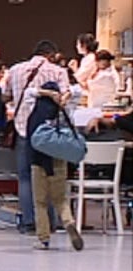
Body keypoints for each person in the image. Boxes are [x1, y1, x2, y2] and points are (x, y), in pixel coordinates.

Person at [6, 40, 71, 235]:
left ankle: (28, 221)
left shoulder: (15, 70)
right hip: (48, 130)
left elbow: (5, 96)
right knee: (48, 175)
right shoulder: (58, 72)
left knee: (25, 177)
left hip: (22, 128)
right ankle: (51, 221)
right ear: (51, 55)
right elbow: (65, 97)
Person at [25, 82, 84, 251]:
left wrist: (46, 93)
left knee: (40, 202)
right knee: (60, 199)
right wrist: (65, 95)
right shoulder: (65, 110)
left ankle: (43, 239)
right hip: (58, 159)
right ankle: (69, 222)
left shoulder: (35, 109)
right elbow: (78, 90)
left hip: (38, 161)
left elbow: (29, 92)